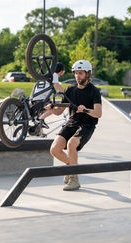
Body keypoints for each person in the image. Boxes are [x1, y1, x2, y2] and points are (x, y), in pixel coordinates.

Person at [44, 60, 102, 190]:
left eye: (80, 73)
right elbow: (59, 112)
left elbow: (98, 113)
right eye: (76, 73)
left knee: (71, 144)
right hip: (72, 122)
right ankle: (71, 167)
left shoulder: (94, 91)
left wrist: (86, 110)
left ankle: (74, 179)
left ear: (88, 74)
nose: (77, 76)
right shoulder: (70, 90)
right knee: (54, 149)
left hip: (87, 125)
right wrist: (51, 108)